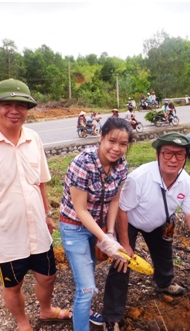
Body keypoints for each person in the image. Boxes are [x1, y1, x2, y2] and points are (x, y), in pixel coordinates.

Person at [0, 79, 72, 331]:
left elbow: (40, 182)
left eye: (21, 105)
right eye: (7, 104)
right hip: (5, 236)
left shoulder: (34, 139)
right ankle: (23, 323)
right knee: (13, 284)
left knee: (48, 276)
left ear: (28, 109)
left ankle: (46, 310)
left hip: (38, 231)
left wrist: (47, 213)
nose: (14, 110)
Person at [102, 132, 190, 331]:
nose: (173, 159)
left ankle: (164, 283)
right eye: (167, 153)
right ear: (157, 155)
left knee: (164, 254)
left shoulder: (186, 182)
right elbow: (122, 210)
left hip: (161, 220)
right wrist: (126, 245)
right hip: (131, 221)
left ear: (186, 157)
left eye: (179, 154)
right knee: (122, 263)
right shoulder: (140, 178)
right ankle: (112, 316)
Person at [59, 117, 133, 331]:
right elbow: (81, 210)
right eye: (112, 141)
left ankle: (85, 311)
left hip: (98, 227)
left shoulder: (121, 166)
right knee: (87, 288)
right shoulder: (82, 163)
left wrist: (110, 232)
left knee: (88, 272)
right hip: (75, 227)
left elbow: (115, 200)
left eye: (123, 144)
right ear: (100, 138)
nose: (116, 148)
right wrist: (105, 240)